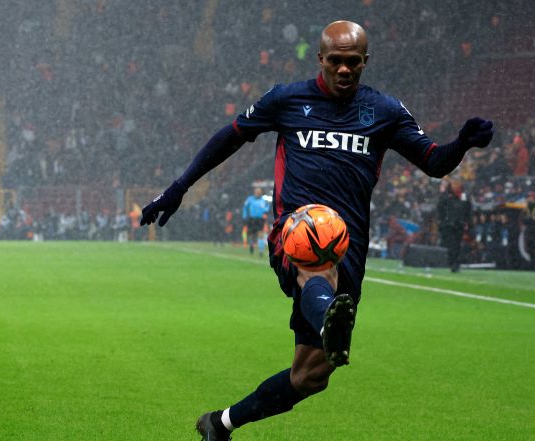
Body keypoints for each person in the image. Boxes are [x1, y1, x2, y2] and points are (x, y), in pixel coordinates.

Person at [140, 21, 494, 440]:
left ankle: (221, 423)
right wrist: (178, 188)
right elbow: (230, 137)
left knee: (310, 375)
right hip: (295, 228)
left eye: (353, 62)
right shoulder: (286, 99)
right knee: (316, 243)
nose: (344, 69)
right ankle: (328, 314)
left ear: (365, 61)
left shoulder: (385, 111)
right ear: (320, 59)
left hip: (351, 247)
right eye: (336, 61)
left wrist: (462, 143)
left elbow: (433, 161)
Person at [437, 180, 472, 272]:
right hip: (449, 225)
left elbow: (468, 210)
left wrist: (467, 222)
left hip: (459, 225)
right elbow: (440, 209)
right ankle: (452, 263)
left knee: (457, 245)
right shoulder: (447, 197)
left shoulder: (464, 197)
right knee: (452, 245)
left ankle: (455, 263)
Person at [242, 187, 270, 254]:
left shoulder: (264, 200)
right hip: (252, 219)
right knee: (252, 234)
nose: (258, 193)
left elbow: (267, 207)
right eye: (257, 192)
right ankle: (251, 245)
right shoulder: (250, 199)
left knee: (260, 234)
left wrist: (265, 213)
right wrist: (245, 216)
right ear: (254, 192)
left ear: (261, 192)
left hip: (260, 219)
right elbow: (245, 207)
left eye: (259, 192)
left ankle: (261, 251)